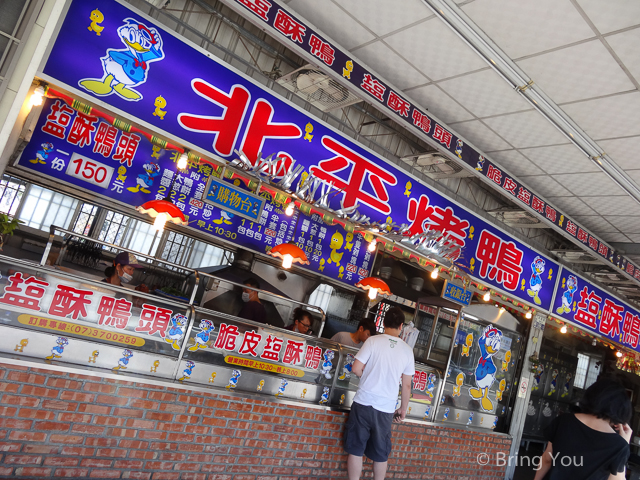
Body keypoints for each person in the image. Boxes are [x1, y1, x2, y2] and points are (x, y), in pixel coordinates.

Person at [344, 306, 415, 480]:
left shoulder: (372, 341)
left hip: (363, 403)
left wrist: (366, 375)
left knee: (356, 449)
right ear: (401, 326)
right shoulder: (407, 350)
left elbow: (356, 368)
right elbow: (406, 386)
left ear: (383, 323)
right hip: (385, 409)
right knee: (381, 453)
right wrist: (403, 409)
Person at [533, 377, 632, 480]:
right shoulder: (619, 445)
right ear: (620, 408)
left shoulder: (564, 421)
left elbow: (547, 459)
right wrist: (624, 443)